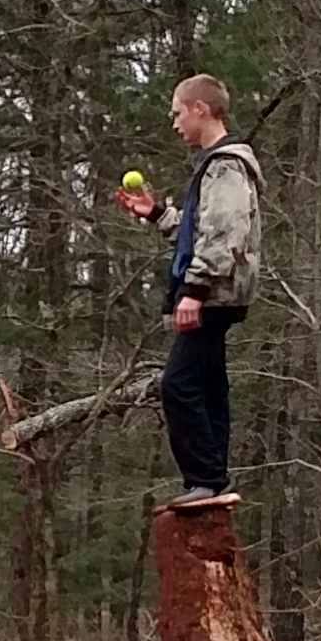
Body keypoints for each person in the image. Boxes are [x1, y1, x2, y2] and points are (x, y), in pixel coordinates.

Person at [112, 75, 265, 506]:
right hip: (214, 291)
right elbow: (198, 233)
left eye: (178, 112)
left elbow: (224, 234)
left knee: (177, 384)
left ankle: (204, 479)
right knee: (208, 384)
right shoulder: (214, 165)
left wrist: (194, 290)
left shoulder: (226, 165)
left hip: (213, 293)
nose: (174, 121)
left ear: (201, 108)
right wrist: (157, 213)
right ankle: (214, 482)